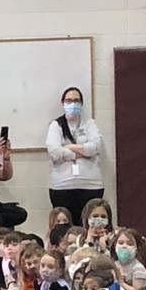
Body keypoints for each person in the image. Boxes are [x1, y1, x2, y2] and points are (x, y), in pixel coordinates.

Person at [45, 87, 104, 220]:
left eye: (76, 101)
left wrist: (69, 146)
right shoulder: (56, 125)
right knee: (66, 229)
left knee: (89, 225)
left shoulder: (89, 123)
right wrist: (82, 152)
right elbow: (55, 152)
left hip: (91, 185)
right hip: (62, 186)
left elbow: (95, 147)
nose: (73, 104)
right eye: (69, 100)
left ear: (81, 104)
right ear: (63, 103)